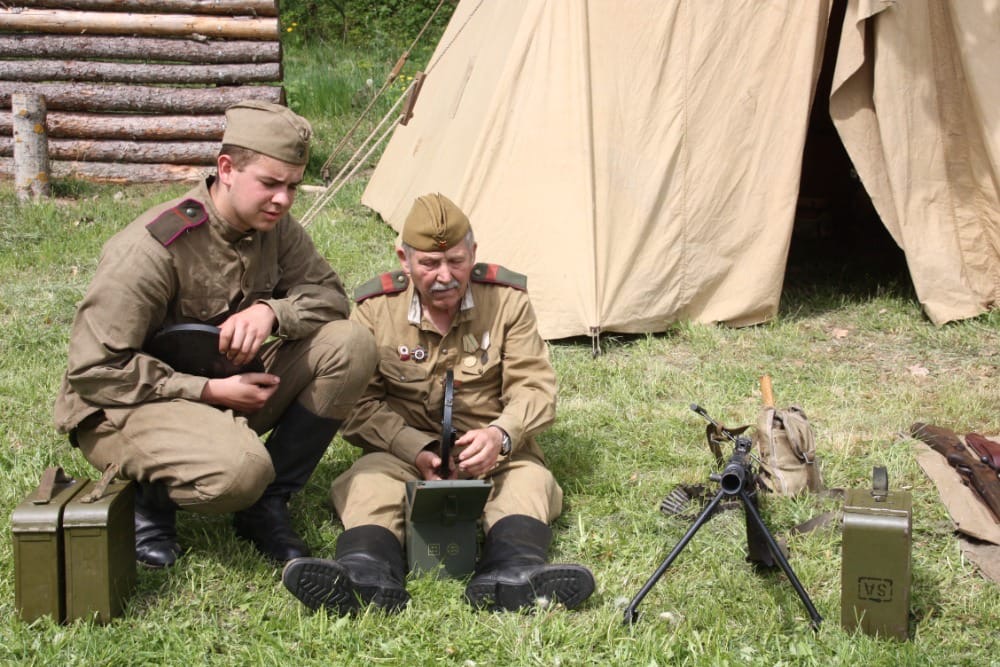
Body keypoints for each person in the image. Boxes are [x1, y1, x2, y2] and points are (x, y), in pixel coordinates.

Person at [53, 100, 377, 568]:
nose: (283, 199)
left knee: (350, 344)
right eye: (269, 183)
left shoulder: (274, 229)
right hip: (127, 403)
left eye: (292, 186)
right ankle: (149, 498)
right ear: (226, 169)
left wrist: (271, 312)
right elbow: (94, 370)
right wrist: (207, 390)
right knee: (241, 472)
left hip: (221, 383)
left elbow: (330, 297)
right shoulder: (152, 249)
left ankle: (267, 505)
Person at [281, 193, 595, 614]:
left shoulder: (507, 302)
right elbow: (359, 404)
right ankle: (365, 574)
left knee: (527, 483)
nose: (445, 276)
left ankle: (514, 573)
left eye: (457, 261)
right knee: (369, 484)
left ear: (473, 253)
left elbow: (534, 388)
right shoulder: (376, 309)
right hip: (401, 454)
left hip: (492, 457)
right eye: (429, 264)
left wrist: (500, 436)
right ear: (404, 259)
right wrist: (416, 448)